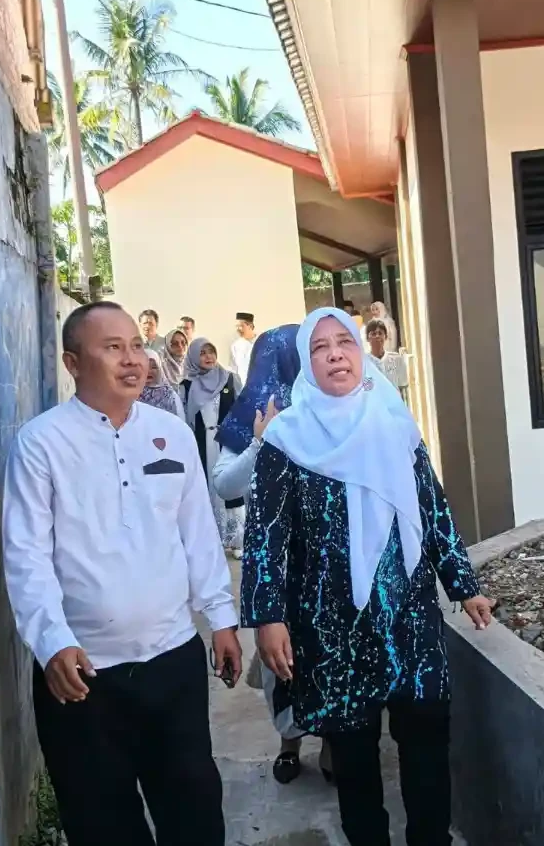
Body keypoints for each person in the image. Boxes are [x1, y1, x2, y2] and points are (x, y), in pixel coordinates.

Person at [241, 306, 493, 846]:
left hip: (410, 619)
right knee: (353, 764)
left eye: (345, 342)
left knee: (426, 744)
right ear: (306, 365)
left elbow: (432, 509)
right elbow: (265, 537)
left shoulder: (395, 423)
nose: (335, 353)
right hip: (332, 630)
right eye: (320, 347)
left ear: (361, 352)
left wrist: (463, 584)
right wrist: (268, 618)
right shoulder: (286, 439)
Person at [3, 301, 241, 846]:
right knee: (103, 823)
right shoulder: (41, 444)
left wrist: (221, 617)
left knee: (195, 813)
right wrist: (52, 641)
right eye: (112, 348)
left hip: (172, 661)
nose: (132, 360)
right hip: (84, 678)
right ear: (72, 362)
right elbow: (26, 555)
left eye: (136, 345)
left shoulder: (171, 433)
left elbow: (197, 533)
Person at [211, 325, 334, 786]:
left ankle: (330, 743)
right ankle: (289, 744)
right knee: (282, 663)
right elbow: (226, 485)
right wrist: (263, 440)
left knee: (326, 659)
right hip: (277, 567)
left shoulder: (333, 405)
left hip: (327, 563)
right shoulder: (253, 411)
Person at [181, 337, 244, 555]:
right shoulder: (187, 386)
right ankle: (213, 539)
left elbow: (241, 409)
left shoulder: (229, 379)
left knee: (231, 485)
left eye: (211, 351)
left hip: (227, 443)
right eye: (202, 352)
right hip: (201, 445)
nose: (208, 357)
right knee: (204, 487)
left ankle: (237, 540)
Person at [364, 320, 409, 404]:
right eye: (373, 334)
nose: (377, 336)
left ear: (386, 336)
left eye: (380, 333)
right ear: (367, 338)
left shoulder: (396, 359)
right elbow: (366, 390)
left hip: (394, 408)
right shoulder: (363, 363)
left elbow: (403, 387)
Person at [139, 349, 183, 417]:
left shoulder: (170, 395)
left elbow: (180, 421)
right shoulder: (131, 392)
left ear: (160, 369)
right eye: (145, 366)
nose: (149, 371)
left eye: (153, 367)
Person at [230, 312, 257, 383]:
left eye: (241, 326)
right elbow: (233, 369)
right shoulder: (236, 345)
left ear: (250, 326)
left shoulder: (260, 342)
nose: (239, 329)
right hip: (241, 386)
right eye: (237, 326)